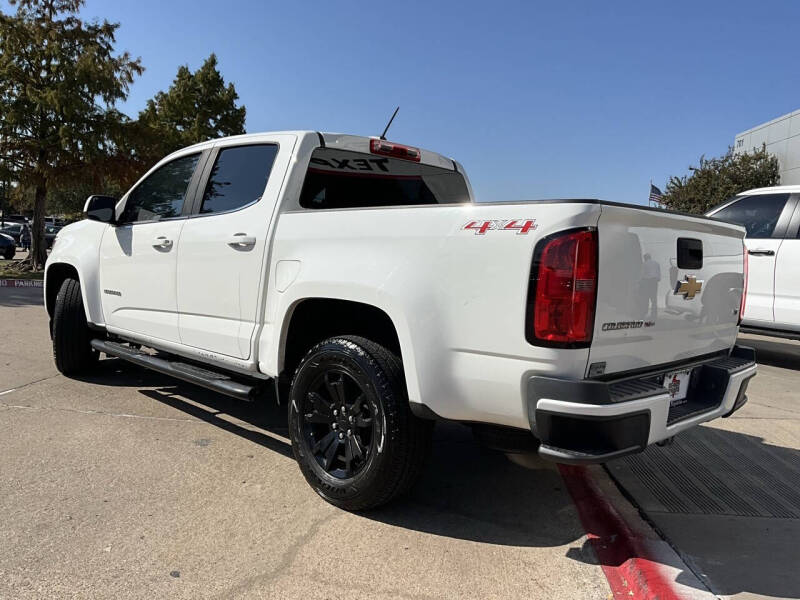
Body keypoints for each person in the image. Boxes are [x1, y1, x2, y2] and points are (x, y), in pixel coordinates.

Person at [640, 253, 661, 320]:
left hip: (647, 282)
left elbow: (642, 274)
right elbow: (659, 274)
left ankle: (644, 313)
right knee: (654, 299)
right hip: (655, 282)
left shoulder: (644, 264)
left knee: (646, 298)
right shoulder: (656, 263)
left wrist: (640, 282)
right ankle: (654, 315)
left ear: (645, 258)